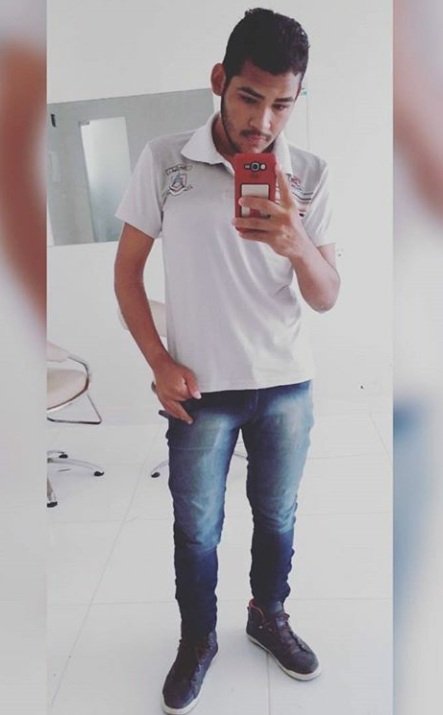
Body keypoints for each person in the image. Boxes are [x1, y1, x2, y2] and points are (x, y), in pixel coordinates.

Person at [114, 8, 340, 714]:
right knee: (196, 526)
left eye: (282, 104)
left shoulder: (309, 174)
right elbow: (126, 275)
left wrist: (295, 242)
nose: (263, 122)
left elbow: (327, 295)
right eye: (248, 97)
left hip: (285, 385)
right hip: (200, 388)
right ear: (219, 79)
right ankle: (197, 638)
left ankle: (268, 615)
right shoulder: (164, 160)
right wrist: (158, 360)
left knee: (277, 514)